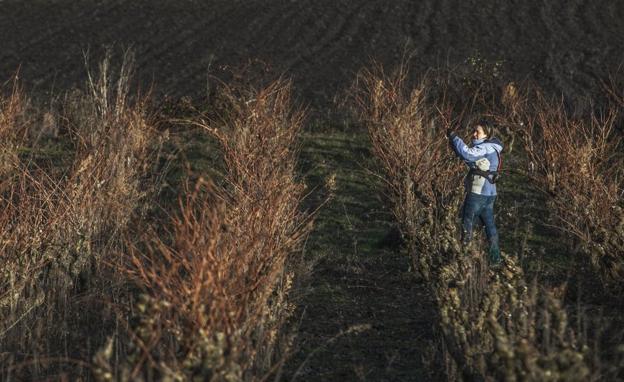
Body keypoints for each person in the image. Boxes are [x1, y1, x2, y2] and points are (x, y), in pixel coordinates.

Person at [447, 119, 504, 265]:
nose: (473, 134)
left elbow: (466, 154)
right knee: (490, 226)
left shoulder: (484, 148)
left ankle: (464, 259)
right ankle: (495, 259)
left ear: (486, 134)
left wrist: (453, 137)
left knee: (467, 223)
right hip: (490, 194)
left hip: (478, 193)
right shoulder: (494, 147)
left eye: (477, 132)